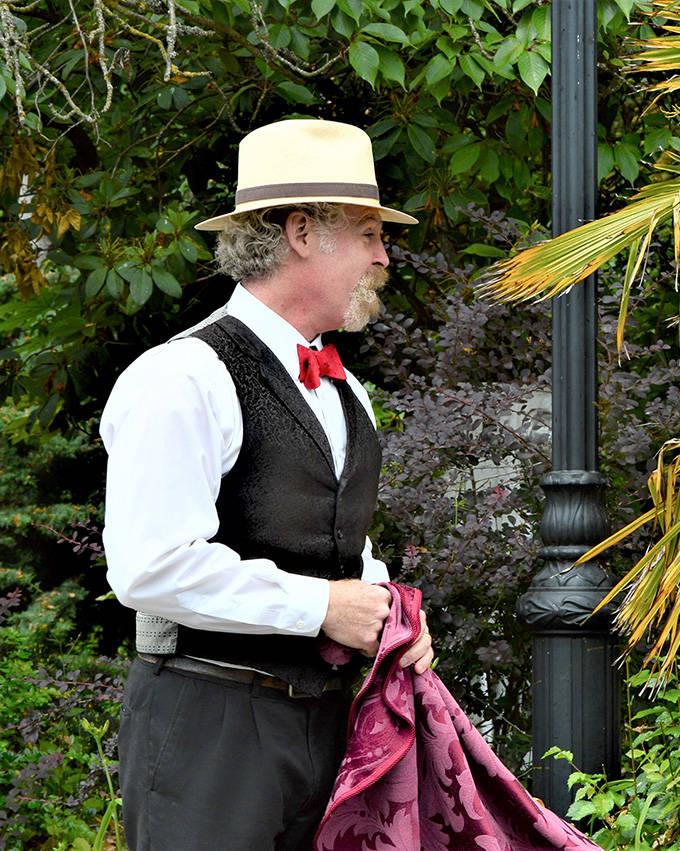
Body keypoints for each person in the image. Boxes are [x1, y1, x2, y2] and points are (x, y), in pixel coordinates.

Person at [101, 118, 436, 850]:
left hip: (325, 726)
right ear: (301, 232)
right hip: (209, 728)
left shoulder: (350, 391)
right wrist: (322, 606)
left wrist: (388, 614)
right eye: (369, 234)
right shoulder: (181, 376)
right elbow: (148, 564)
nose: (384, 255)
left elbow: (337, 533)